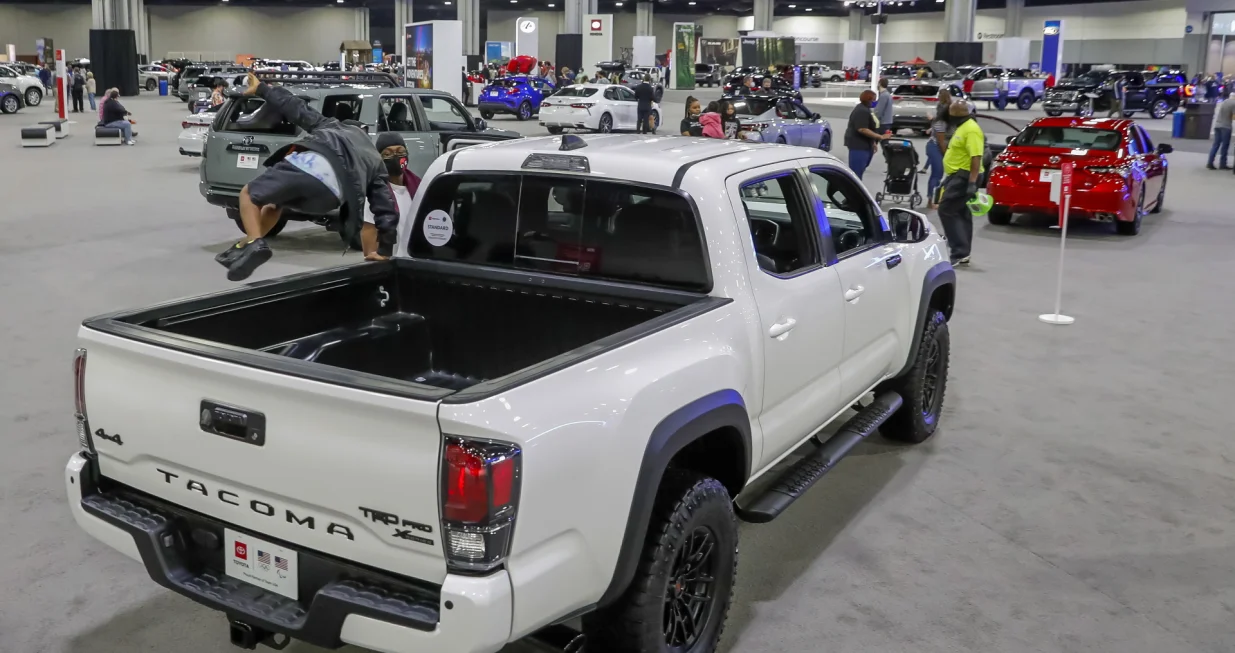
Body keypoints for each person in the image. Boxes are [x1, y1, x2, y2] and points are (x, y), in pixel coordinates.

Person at [214, 73, 399, 281]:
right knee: (275, 205)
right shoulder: (375, 160)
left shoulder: (333, 126)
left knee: (248, 195)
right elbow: (386, 209)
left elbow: (295, 108)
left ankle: (253, 243)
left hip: (312, 165)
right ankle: (249, 244)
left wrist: (262, 89)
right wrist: (384, 250)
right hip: (330, 198)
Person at [937, 102, 985, 266]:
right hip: (957, 175)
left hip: (964, 176)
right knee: (961, 213)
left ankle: (958, 251)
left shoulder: (971, 129)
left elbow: (976, 157)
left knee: (946, 210)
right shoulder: (963, 126)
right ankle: (963, 252)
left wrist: (972, 182)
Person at [362, 132, 422, 257]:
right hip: (394, 264)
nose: (395, 157)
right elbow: (370, 241)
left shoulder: (419, 187)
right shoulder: (375, 194)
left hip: (417, 261)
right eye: (387, 154)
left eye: (400, 152)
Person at [843, 90, 891, 179]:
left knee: (860, 170)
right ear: (868, 99)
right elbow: (862, 129)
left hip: (865, 145)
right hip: (859, 145)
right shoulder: (862, 111)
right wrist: (880, 137)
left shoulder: (866, 109)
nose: (875, 102)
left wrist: (873, 142)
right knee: (856, 174)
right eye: (873, 100)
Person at [925, 89, 953, 208]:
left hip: (940, 145)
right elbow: (941, 142)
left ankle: (933, 199)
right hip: (935, 146)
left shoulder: (947, 119)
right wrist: (946, 154)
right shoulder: (942, 121)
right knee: (937, 174)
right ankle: (932, 200)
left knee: (938, 174)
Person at [1209, 90, 1233, 170]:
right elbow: (1233, 116)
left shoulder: (1224, 101)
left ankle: (1210, 162)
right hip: (1226, 127)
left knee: (1216, 145)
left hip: (1217, 125)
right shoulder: (1233, 103)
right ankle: (1222, 164)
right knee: (1224, 146)